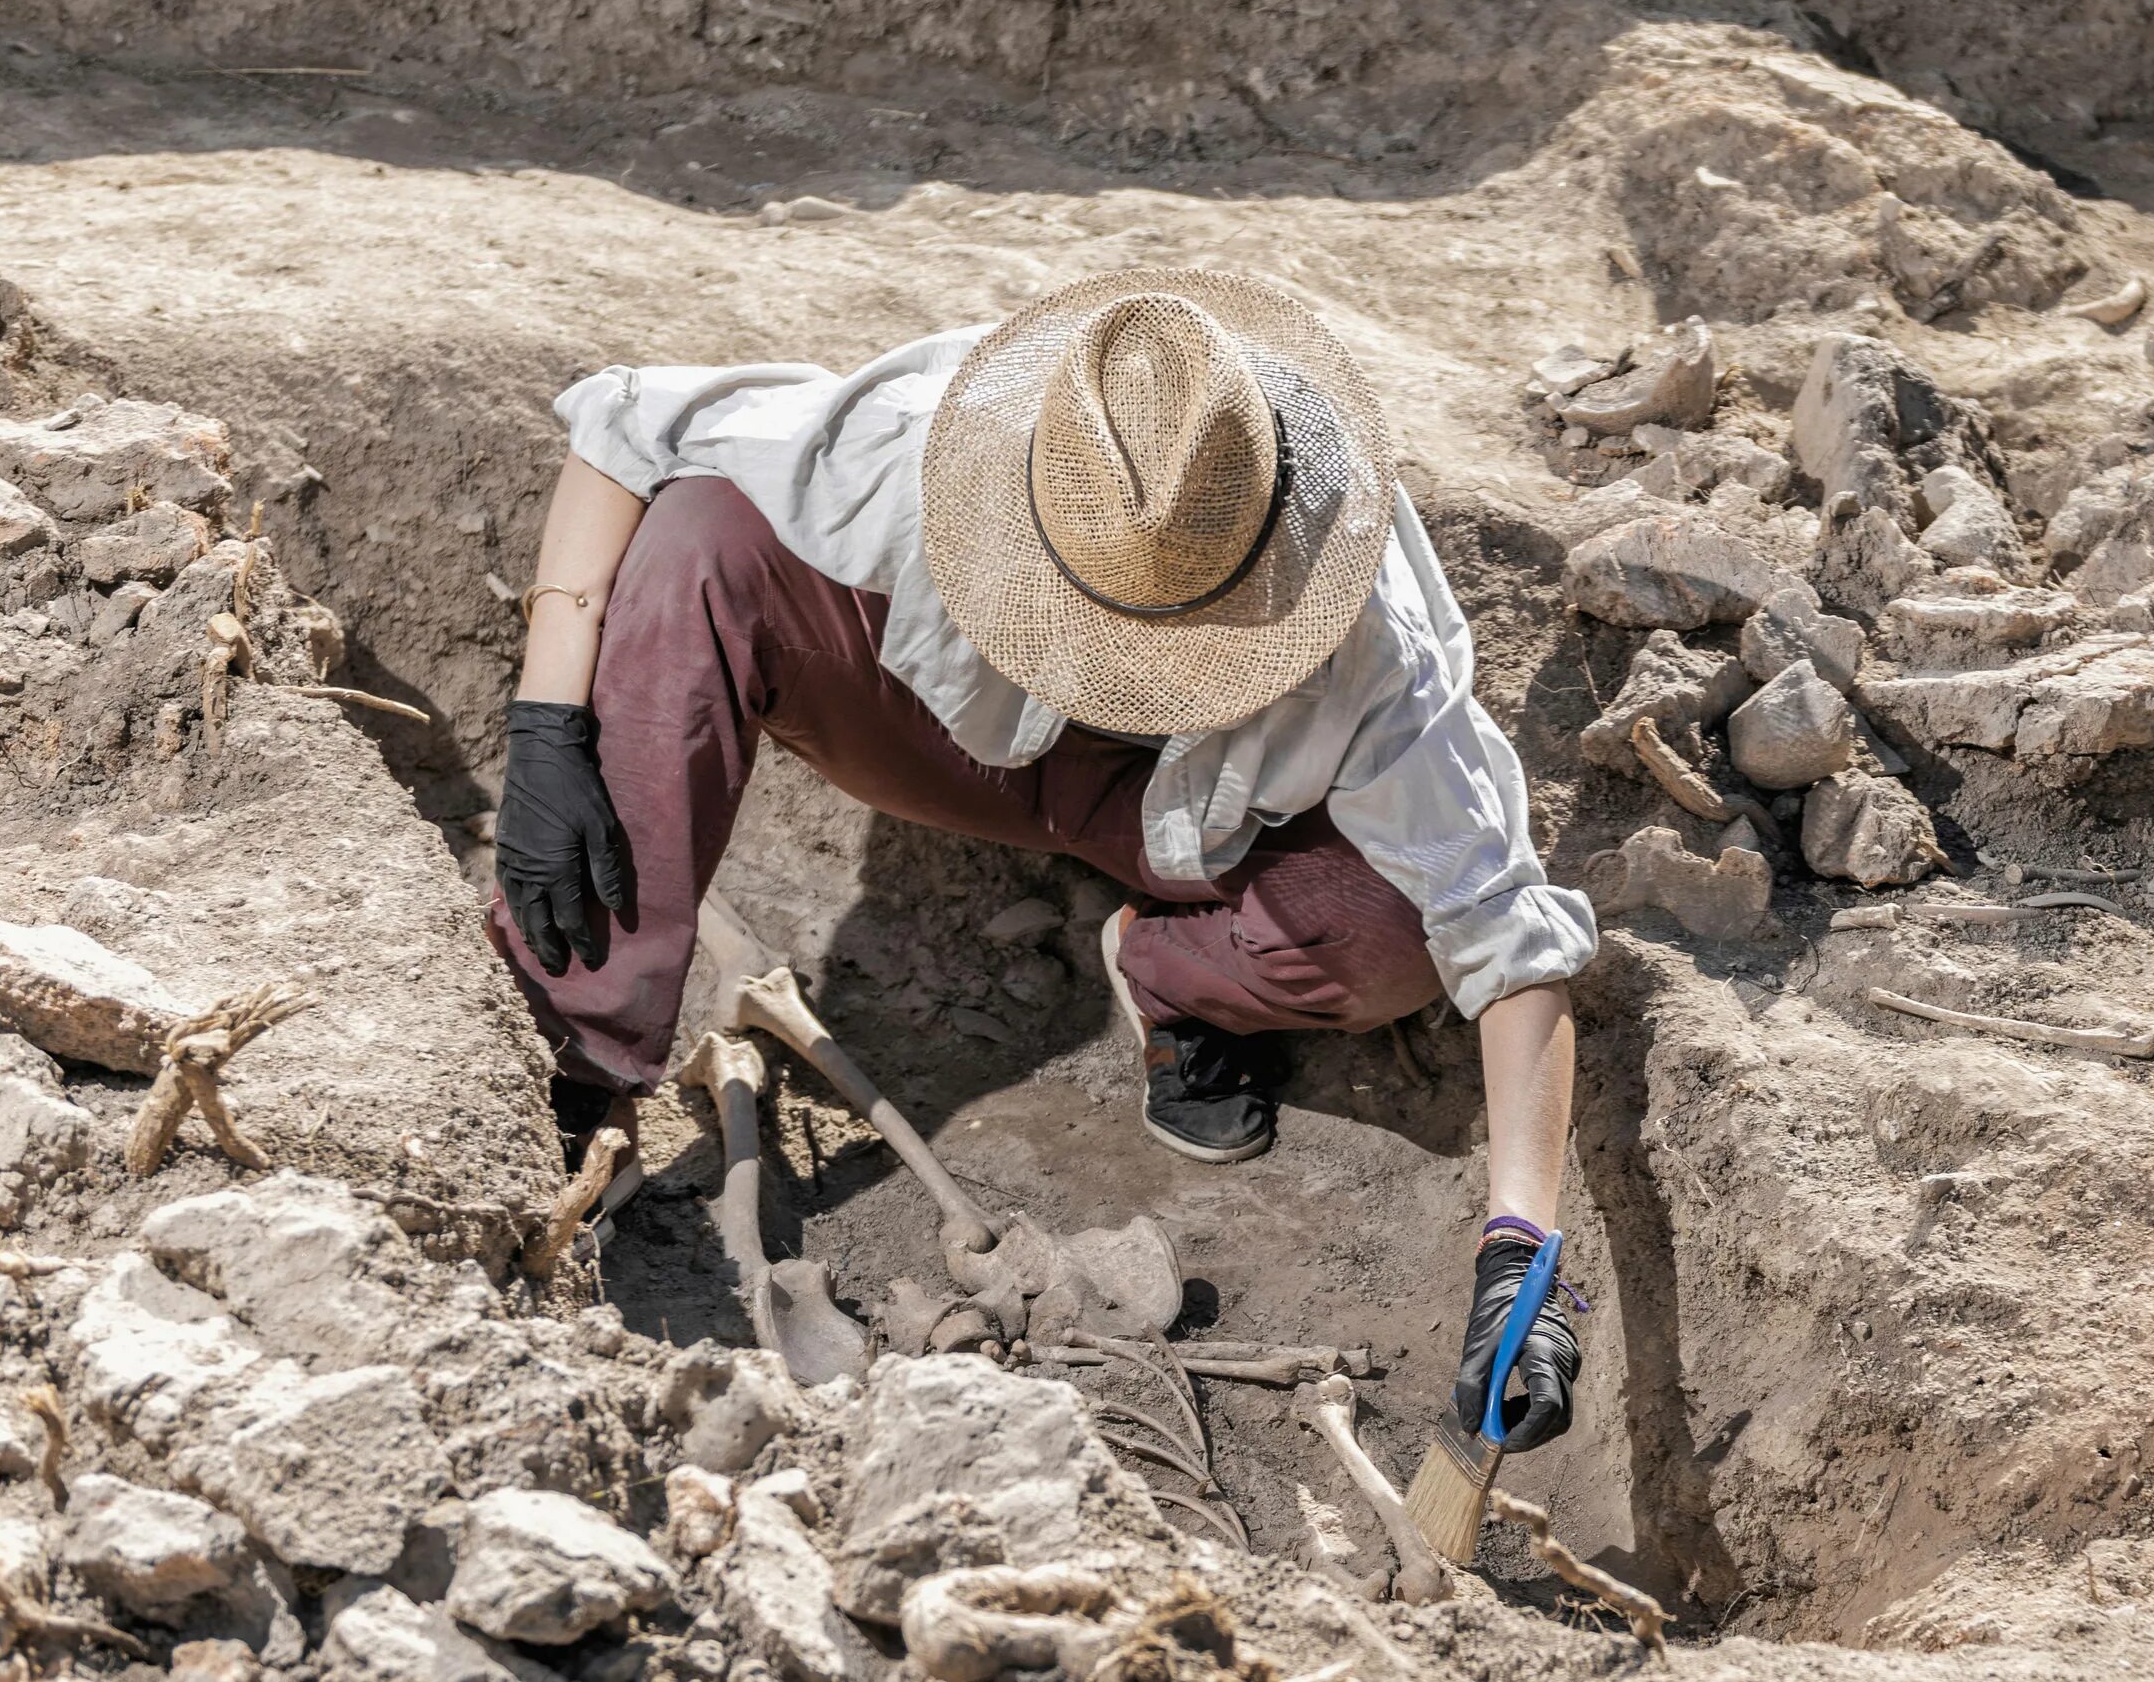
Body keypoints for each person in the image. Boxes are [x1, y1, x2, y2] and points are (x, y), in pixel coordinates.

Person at [492, 269, 1592, 1451]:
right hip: (937, 737)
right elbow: (622, 424)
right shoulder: (929, 439)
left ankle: (1173, 974)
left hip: (1195, 820)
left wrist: (1520, 1256)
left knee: (1390, 929)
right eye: (1099, 626)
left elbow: (1504, 924)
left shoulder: (1366, 631)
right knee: (703, 537)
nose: (1122, 661)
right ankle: (575, 1071)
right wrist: (549, 721)